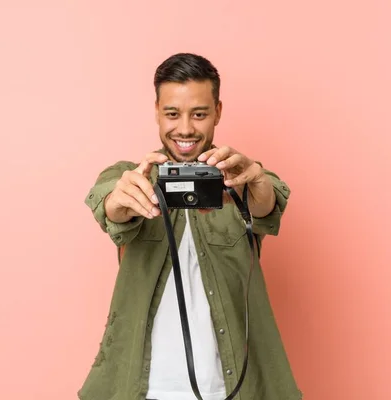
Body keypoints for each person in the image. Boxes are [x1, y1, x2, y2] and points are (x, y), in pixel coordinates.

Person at [78, 53, 302, 400]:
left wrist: (253, 181)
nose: (185, 128)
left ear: (218, 111)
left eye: (199, 114)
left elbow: (267, 203)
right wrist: (120, 199)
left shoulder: (242, 177)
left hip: (231, 388)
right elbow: (109, 204)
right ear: (156, 111)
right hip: (142, 388)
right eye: (172, 113)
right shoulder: (131, 176)